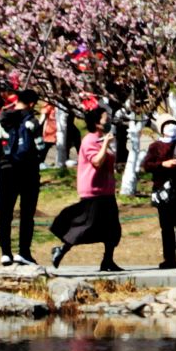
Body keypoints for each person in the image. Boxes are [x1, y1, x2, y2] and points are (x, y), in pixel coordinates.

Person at [48, 104, 123, 272]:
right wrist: (105, 145)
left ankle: (108, 261)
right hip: (93, 191)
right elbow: (96, 161)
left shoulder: (103, 139)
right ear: (97, 123)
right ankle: (61, 250)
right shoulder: (90, 140)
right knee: (85, 226)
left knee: (112, 228)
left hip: (106, 191)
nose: (109, 121)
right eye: (106, 119)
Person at [138, 119, 176, 270]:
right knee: (166, 227)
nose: (170, 127)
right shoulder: (155, 146)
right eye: (167, 125)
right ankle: (169, 259)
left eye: (173, 125)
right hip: (162, 191)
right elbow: (147, 165)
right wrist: (163, 164)